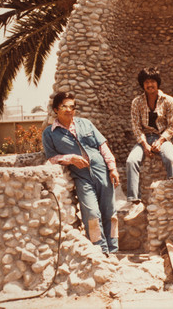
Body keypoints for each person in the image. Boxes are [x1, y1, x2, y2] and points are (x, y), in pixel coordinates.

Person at [42, 92, 120, 255]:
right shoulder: (49, 133)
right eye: (64, 106)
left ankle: (113, 251)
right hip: (82, 178)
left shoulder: (85, 124)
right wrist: (70, 158)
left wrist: (112, 168)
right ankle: (100, 250)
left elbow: (102, 146)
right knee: (91, 213)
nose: (69, 110)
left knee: (110, 213)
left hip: (102, 173)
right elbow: (51, 158)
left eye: (72, 106)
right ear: (56, 109)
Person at [125, 68, 173, 220]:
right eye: (147, 82)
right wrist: (144, 145)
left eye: (152, 82)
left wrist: (161, 141)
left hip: (162, 137)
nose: (150, 85)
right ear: (143, 85)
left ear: (157, 83)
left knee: (171, 159)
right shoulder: (137, 102)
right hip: (144, 138)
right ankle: (135, 202)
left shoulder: (168, 101)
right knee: (131, 161)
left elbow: (172, 126)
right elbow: (136, 126)